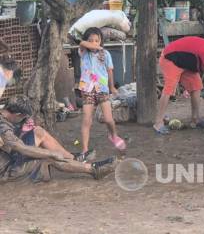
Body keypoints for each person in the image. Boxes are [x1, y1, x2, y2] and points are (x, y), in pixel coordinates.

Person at [0, 95, 116, 182]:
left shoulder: (4, 114)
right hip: (7, 169)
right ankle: (93, 170)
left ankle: (73, 159)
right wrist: (50, 153)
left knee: (38, 131)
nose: (23, 120)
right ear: (17, 114)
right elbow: (21, 148)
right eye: (23, 117)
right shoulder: (3, 127)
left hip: (9, 155)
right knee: (49, 158)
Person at [153, 36, 204, 134]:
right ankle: (158, 123)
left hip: (185, 63)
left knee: (196, 86)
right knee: (169, 89)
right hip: (170, 59)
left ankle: (195, 119)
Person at [78, 27, 126, 160]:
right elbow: (82, 43)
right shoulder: (83, 52)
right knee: (87, 120)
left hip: (102, 90)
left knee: (109, 119)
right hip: (87, 90)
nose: (94, 43)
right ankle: (85, 150)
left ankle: (113, 135)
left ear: (101, 41)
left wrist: (112, 87)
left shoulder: (106, 54)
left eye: (97, 40)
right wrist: (95, 46)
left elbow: (110, 71)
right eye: (91, 40)